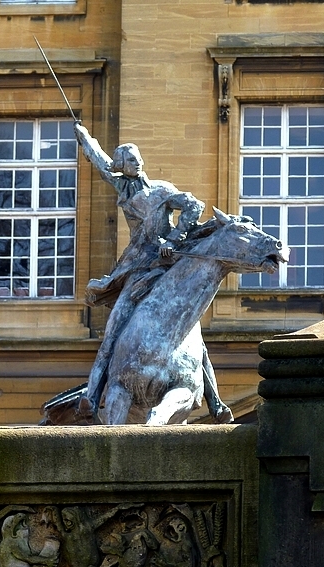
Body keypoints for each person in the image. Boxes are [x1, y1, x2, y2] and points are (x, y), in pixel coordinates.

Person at [74, 122, 233, 424]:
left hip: (167, 265)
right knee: (112, 332)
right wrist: (84, 138)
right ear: (123, 166)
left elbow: (194, 205)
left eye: (137, 158)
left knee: (190, 328)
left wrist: (174, 240)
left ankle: (214, 399)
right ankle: (91, 397)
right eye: (130, 159)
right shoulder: (123, 189)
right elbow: (101, 162)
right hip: (137, 268)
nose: (137, 162)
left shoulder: (161, 190)